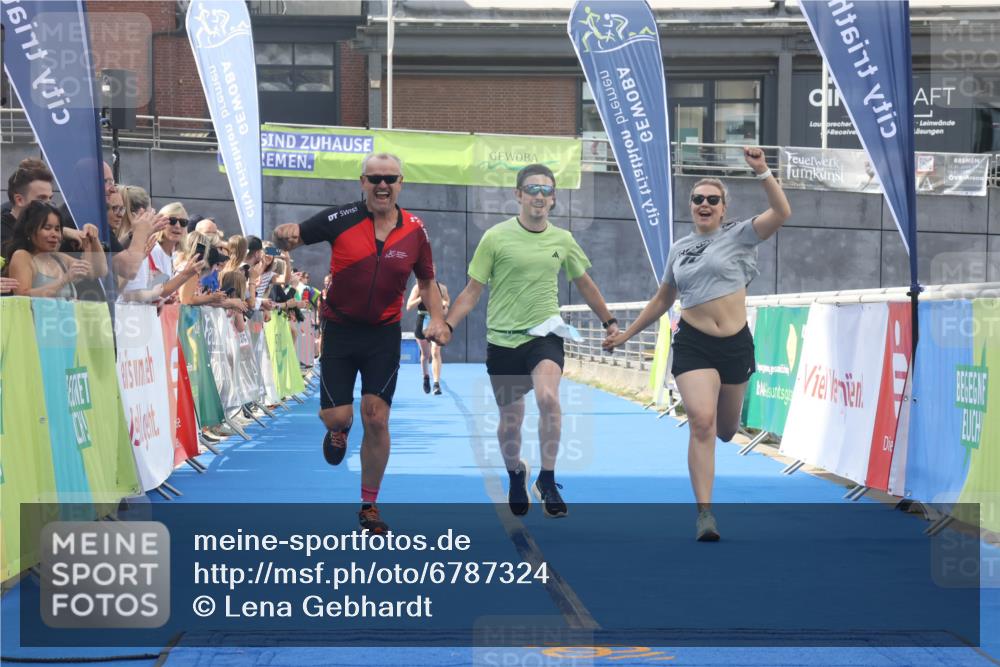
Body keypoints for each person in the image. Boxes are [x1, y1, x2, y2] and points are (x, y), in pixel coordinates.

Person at [603, 146, 791, 542]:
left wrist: (762, 172)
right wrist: (625, 334)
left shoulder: (739, 235)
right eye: (698, 199)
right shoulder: (678, 249)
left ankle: (716, 457)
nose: (704, 204)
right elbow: (662, 299)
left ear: (724, 208)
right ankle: (705, 514)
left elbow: (781, 214)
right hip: (693, 343)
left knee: (724, 430)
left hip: (735, 345)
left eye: (712, 200)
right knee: (701, 422)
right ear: (690, 206)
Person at [273, 152, 449, 534]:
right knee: (339, 416)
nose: (382, 185)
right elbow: (294, 236)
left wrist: (437, 318)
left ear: (401, 183)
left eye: (390, 178)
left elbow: (426, 282)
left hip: (382, 334)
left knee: (377, 417)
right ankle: (338, 430)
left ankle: (369, 505)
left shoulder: (415, 230)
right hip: (339, 329)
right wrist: (283, 234)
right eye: (375, 179)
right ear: (362, 183)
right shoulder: (340, 219)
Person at [445, 164, 618, 519]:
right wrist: (447, 325)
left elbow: (585, 283)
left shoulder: (563, 240)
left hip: (546, 334)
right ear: (518, 195)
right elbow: (472, 291)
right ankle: (515, 474)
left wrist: (610, 322)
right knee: (510, 421)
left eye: (546, 191)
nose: (539, 196)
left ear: (553, 199)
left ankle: (549, 480)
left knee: (548, 398)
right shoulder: (495, 237)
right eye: (532, 189)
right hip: (504, 340)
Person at [2, 201, 106, 298]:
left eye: (57, 229)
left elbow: (99, 271)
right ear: (30, 231)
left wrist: (94, 238)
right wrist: (65, 279)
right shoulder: (22, 256)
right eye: (47, 228)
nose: (54, 234)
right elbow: (22, 296)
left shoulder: (60, 258)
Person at [406, 273, 450, 395]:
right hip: (422, 320)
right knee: (425, 355)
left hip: (436, 320)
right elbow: (409, 306)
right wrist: (422, 297)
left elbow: (446, 301)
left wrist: (445, 306)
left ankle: (436, 384)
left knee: (435, 351)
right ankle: (426, 377)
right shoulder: (417, 288)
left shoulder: (442, 288)